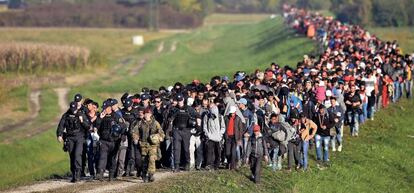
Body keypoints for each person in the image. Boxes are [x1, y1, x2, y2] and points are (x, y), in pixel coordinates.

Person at [56, 101, 90, 183]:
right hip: (70, 138)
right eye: (72, 109)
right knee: (72, 156)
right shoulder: (66, 115)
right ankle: (74, 173)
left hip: (79, 137)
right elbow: (61, 125)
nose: (74, 111)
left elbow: (88, 126)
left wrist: (82, 121)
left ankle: (78, 174)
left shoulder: (81, 114)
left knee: (77, 154)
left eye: (75, 109)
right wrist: (59, 135)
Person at [95, 100, 127, 181]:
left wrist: (120, 134)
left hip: (114, 141)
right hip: (104, 141)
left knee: (113, 159)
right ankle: (100, 174)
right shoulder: (101, 116)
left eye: (105, 108)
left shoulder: (116, 116)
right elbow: (96, 127)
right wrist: (100, 118)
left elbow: (123, 127)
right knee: (102, 157)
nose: (104, 109)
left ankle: (111, 175)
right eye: (104, 108)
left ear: (110, 108)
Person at [131, 108, 165, 182]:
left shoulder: (155, 123)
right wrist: (135, 138)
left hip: (153, 145)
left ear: (151, 114)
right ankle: (144, 175)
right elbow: (135, 132)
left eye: (148, 114)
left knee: (152, 159)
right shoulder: (140, 123)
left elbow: (161, 132)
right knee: (144, 161)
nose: (147, 115)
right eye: (145, 114)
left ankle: (151, 174)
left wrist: (160, 137)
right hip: (143, 145)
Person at [170, 94, 197, 172]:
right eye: (178, 101)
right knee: (176, 149)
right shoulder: (174, 109)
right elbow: (169, 119)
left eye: (180, 100)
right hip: (177, 130)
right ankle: (176, 166)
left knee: (186, 149)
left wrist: (196, 126)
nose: (179, 102)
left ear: (183, 100)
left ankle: (187, 163)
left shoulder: (189, 109)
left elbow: (196, 116)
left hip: (186, 130)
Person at [203, 103, 225, 170]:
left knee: (218, 152)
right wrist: (208, 134)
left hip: (218, 138)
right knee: (209, 152)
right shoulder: (207, 116)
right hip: (210, 137)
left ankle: (216, 165)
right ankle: (209, 164)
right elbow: (205, 127)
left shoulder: (220, 117)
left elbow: (223, 127)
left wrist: (220, 135)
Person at [224, 106, 245, 170]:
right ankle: (229, 162)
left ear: (235, 112)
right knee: (227, 152)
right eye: (231, 113)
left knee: (233, 152)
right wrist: (225, 135)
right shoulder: (226, 118)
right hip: (228, 137)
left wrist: (239, 138)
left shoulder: (238, 119)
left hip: (235, 137)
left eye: (233, 113)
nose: (232, 114)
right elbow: (224, 127)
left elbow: (241, 129)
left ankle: (232, 166)